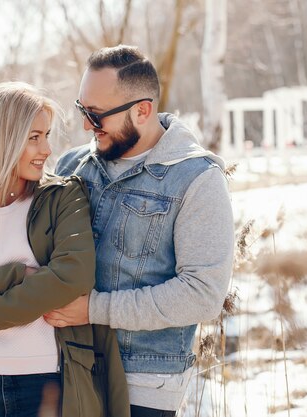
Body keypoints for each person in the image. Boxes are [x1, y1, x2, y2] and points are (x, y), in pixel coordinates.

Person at [0, 82, 129, 417]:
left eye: (45, 136)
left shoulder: (62, 197)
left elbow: (71, 278)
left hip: (48, 380)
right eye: (34, 137)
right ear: (1, 139)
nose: (46, 149)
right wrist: (13, 274)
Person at [49, 45, 235, 417]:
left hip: (145, 383)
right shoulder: (72, 166)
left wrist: (94, 309)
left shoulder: (197, 180)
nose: (86, 125)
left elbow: (202, 294)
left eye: (96, 115)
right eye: (82, 110)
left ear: (143, 110)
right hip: (67, 368)